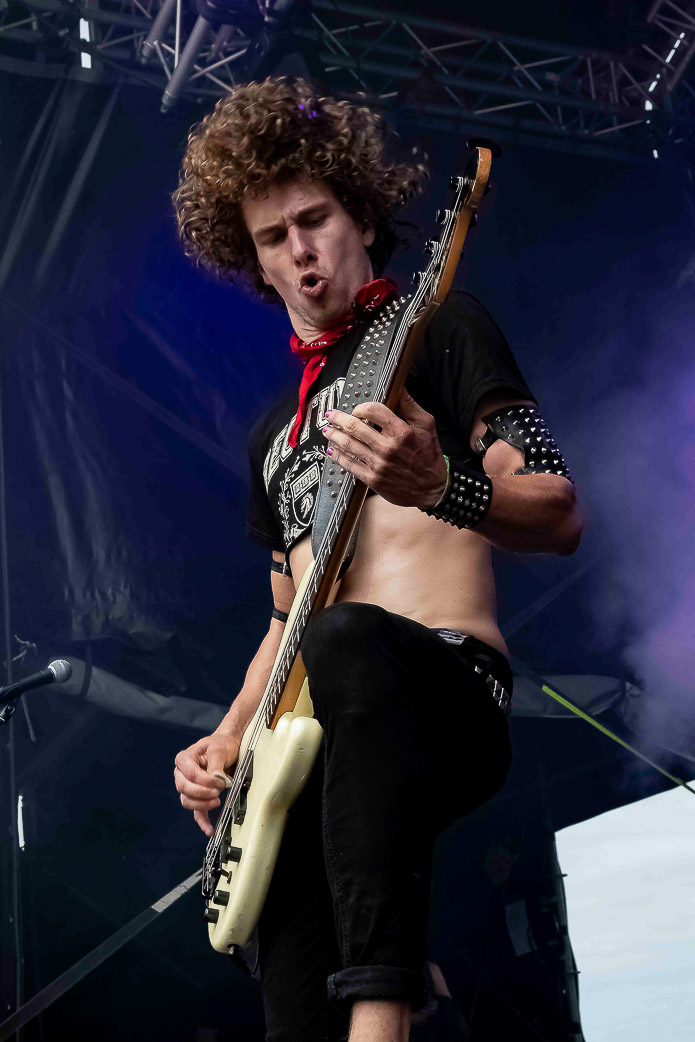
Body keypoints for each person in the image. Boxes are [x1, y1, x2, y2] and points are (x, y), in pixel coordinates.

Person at [171, 77, 581, 1042]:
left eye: (314, 220)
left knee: (349, 637)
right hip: (314, 737)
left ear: (359, 215)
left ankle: (384, 1014)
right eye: (273, 238)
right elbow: (286, 617)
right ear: (254, 261)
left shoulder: (438, 326)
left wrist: (440, 485)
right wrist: (225, 739)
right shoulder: (273, 439)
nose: (300, 250)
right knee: (290, 993)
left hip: (446, 692)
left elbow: (558, 509)